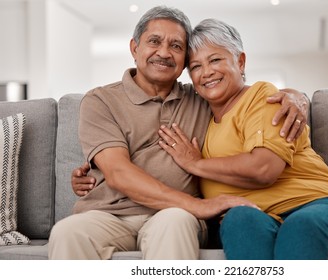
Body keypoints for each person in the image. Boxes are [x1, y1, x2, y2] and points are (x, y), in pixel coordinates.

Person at [60, 6, 309, 260]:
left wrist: (296, 96)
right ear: (135, 48)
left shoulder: (202, 97)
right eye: (154, 41)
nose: (164, 53)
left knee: (174, 223)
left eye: (176, 46)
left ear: (183, 63)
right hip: (109, 214)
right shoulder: (100, 100)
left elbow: (246, 96)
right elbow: (118, 172)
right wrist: (201, 206)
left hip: (175, 214)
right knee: (68, 232)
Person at [157, 18, 328, 260]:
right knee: (237, 219)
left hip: (317, 206)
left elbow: (264, 169)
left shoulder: (262, 97)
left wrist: (195, 164)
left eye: (215, 59)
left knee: (299, 227)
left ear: (241, 61)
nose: (207, 72)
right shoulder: (201, 115)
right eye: (195, 66)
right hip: (257, 215)